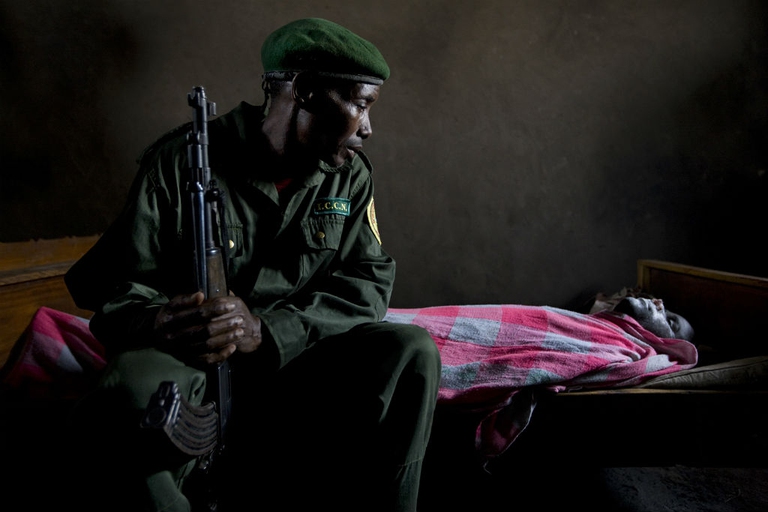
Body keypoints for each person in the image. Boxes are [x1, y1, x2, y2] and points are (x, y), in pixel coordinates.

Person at [65, 18, 441, 512]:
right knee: (127, 389)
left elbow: (367, 284)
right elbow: (113, 288)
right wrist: (160, 320)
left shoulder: (346, 177)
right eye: (361, 103)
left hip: (290, 362)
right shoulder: (181, 164)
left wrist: (266, 331)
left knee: (411, 350)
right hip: (195, 360)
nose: (367, 128)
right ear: (305, 90)